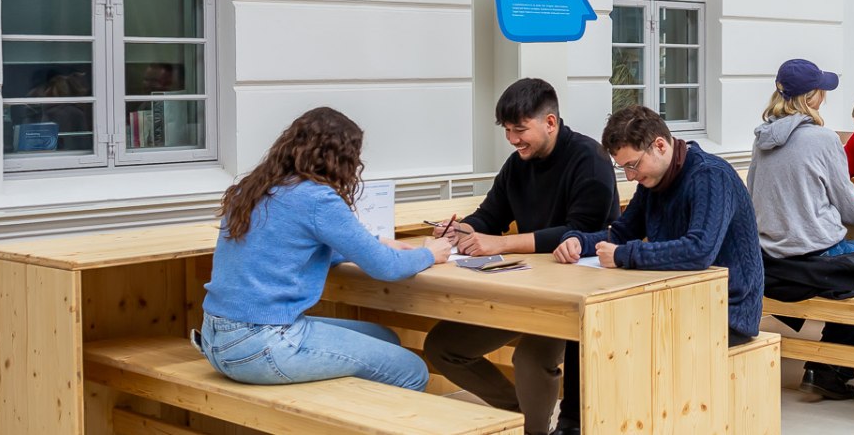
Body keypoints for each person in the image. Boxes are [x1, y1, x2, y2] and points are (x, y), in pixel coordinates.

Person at [195, 107, 454, 391]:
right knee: (412, 370)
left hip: (216, 338)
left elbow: (290, 247)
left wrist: (377, 243)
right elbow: (386, 267)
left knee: (384, 338)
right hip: (263, 344)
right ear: (339, 158)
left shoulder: (253, 188)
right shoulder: (316, 197)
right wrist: (431, 253)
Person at [423, 79, 619, 435]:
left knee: (530, 359)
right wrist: (459, 230)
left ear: (550, 123)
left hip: (580, 293)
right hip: (523, 287)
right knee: (442, 347)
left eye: (520, 129)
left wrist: (499, 244)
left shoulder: (590, 159)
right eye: (508, 130)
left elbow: (580, 234)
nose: (513, 139)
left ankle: (533, 429)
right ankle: (519, 411)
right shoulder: (517, 165)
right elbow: (489, 216)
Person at [554, 105, 764, 346]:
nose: (630, 176)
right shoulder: (652, 183)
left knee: (612, 336)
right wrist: (579, 242)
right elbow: (621, 233)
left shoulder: (710, 176)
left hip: (726, 312)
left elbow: (699, 251)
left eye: (632, 165)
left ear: (660, 146)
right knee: (587, 330)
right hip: (678, 300)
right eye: (623, 168)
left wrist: (625, 255)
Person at [748, 59, 854, 400]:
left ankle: (827, 366)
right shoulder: (823, 139)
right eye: (821, 90)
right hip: (815, 259)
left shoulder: (761, 140)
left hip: (770, 262)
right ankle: (829, 369)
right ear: (812, 97)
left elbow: (752, 198)